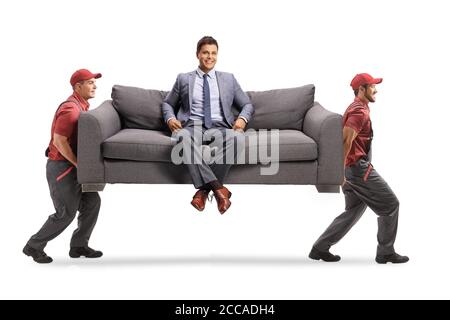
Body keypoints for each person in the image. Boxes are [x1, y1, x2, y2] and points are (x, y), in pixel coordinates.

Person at [309, 73, 409, 264]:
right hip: (356, 169)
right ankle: (386, 252)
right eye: (372, 86)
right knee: (390, 205)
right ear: (361, 89)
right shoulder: (358, 112)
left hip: (350, 169)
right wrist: (338, 172)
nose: (376, 90)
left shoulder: (359, 108)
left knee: (354, 210)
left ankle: (320, 248)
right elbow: (346, 140)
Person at [162, 36, 254, 214]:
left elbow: (247, 104)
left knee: (238, 139)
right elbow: (167, 103)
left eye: (213, 53)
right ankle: (219, 189)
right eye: (205, 52)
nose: (210, 57)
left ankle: (204, 191)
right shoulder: (183, 79)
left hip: (221, 127)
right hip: (192, 126)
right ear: (198, 54)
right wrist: (170, 118)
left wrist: (242, 119)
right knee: (182, 137)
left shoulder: (228, 79)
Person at [23, 69, 104, 263]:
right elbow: (59, 141)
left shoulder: (81, 106)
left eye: (95, 82)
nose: (95, 86)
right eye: (90, 82)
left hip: (72, 168)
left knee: (92, 203)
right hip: (62, 168)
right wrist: (79, 164)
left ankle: (78, 246)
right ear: (78, 86)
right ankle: (33, 246)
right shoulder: (71, 109)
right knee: (65, 213)